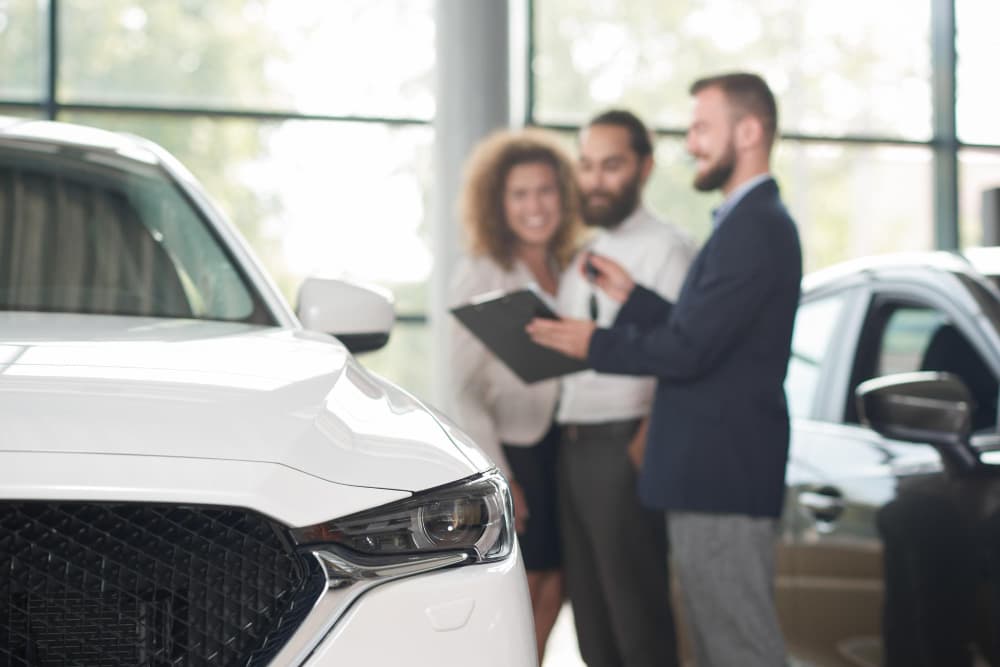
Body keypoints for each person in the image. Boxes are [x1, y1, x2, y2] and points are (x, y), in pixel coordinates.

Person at [527, 73, 802, 666]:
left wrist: (593, 342)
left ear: (749, 131)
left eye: (703, 127)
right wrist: (637, 299)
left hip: (722, 475)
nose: (693, 143)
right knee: (715, 643)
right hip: (711, 473)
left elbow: (686, 352)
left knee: (737, 646)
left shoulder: (755, 225)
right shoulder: (742, 222)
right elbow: (702, 332)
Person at [554, 110, 694, 667]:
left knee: (637, 620)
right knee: (592, 622)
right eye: (587, 165)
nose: (595, 180)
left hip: (624, 445)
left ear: (644, 167)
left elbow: (684, 352)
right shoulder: (582, 256)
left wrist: (649, 436)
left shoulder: (669, 249)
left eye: (611, 165)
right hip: (573, 446)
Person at [447, 128, 581, 662]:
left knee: (559, 579)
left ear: (563, 197)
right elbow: (464, 388)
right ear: (498, 204)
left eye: (545, 191)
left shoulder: (572, 267)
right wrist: (503, 475)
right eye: (520, 194)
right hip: (516, 447)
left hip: (565, 444)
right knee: (528, 581)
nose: (534, 206)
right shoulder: (481, 272)